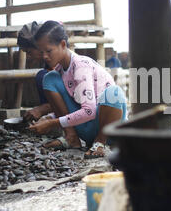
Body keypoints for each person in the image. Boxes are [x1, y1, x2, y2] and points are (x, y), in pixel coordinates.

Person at [28, 21, 127, 158]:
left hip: (110, 129)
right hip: (87, 129)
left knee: (114, 93)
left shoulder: (81, 66)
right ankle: (71, 138)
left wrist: (51, 123)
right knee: (49, 78)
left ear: (63, 45)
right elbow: (75, 107)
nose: (44, 56)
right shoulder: (60, 70)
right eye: (42, 52)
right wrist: (47, 118)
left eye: (49, 51)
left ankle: (99, 143)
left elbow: (89, 111)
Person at [17, 21, 53, 122]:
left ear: (39, 46)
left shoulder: (67, 65)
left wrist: (43, 109)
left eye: (29, 52)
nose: (28, 57)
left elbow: (73, 101)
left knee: (43, 76)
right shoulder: (48, 65)